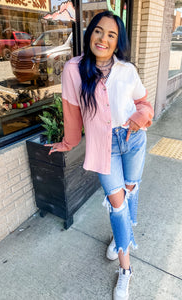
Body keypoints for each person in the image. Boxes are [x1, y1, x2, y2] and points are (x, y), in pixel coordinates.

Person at [45, 11, 154, 300]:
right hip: (103, 146)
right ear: (89, 33)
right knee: (117, 205)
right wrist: (68, 142)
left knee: (130, 191)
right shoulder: (74, 69)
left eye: (111, 34)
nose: (103, 38)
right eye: (98, 31)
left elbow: (143, 102)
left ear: (118, 42)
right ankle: (126, 270)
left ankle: (121, 239)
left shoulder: (127, 70)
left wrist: (140, 117)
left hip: (132, 139)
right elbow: (71, 112)